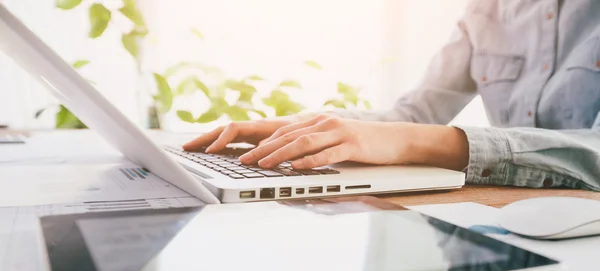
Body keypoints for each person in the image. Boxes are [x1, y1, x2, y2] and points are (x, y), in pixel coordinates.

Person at [184, 0, 600, 191]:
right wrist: (313, 128)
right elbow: (418, 111)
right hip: (509, 216)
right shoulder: (487, 10)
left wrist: (409, 141)